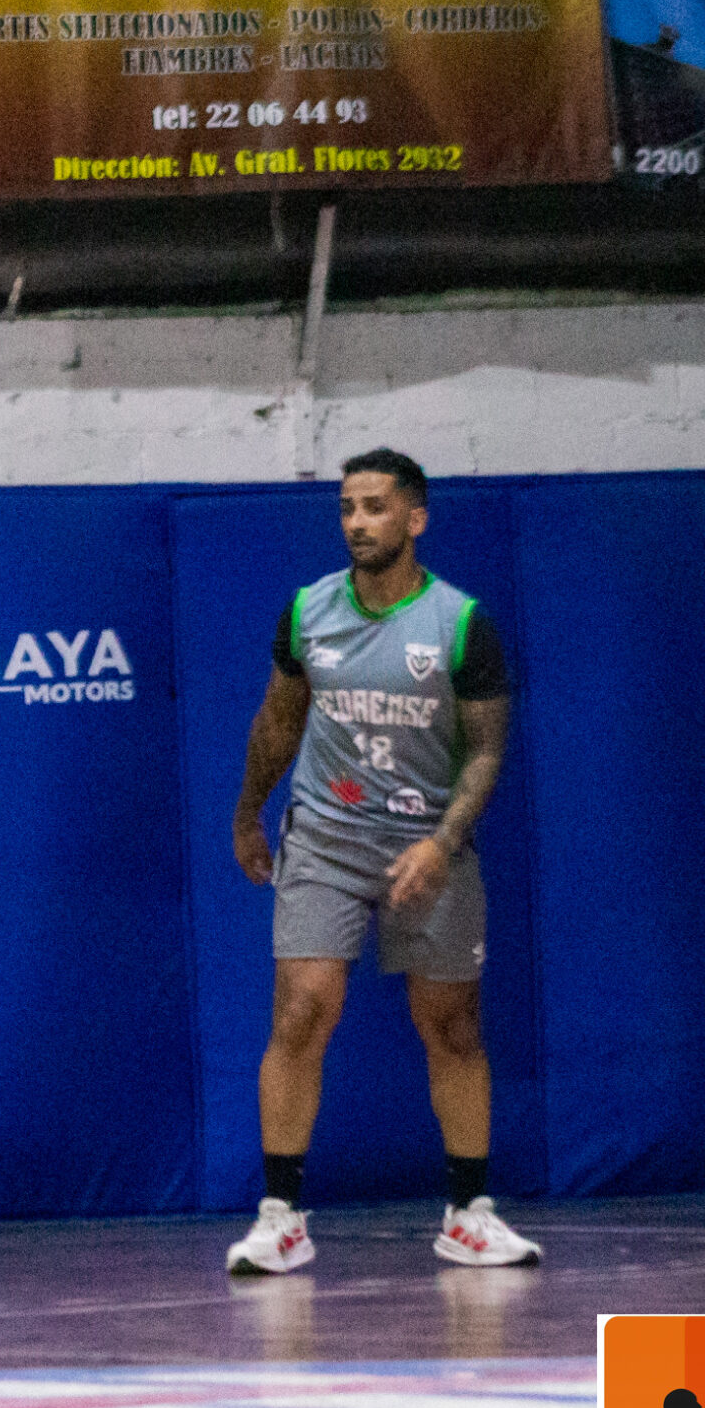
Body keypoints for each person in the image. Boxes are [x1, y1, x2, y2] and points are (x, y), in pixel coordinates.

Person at [225, 447, 536, 1277]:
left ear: (415, 518)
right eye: (347, 508)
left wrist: (443, 840)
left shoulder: (460, 622)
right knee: (302, 1009)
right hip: (325, 837)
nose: (358, 522)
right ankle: (280, 1217)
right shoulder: (309, 611)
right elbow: (278, 721)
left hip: (427, 845)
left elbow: (485, 750)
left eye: (374, 507)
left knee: (452, 1026)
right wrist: (249, 813)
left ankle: (469, 1214)